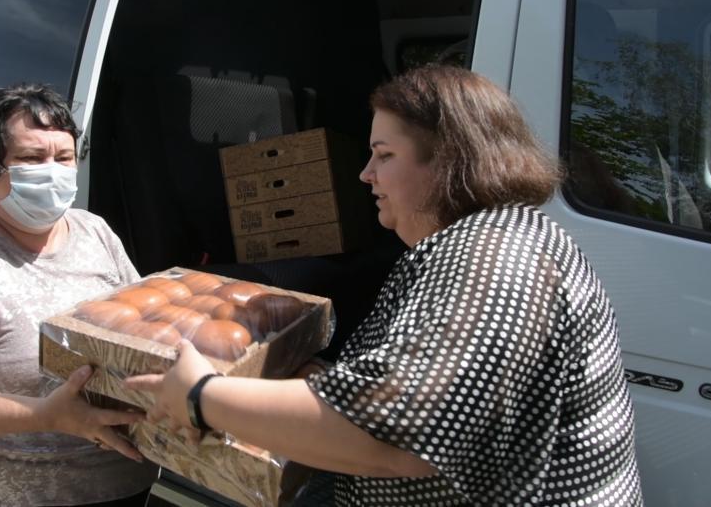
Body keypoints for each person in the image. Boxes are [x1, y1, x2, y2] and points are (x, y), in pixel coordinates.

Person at [127, 65, 644, 506]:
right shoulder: (483, 239)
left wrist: (200, 395)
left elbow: (399, 435)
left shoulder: (493, 260)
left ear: (448, 161)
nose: (365, 175)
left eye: (384, 155)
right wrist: (322, 378)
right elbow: (420, 383)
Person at [0, 83, 158, 507]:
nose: (53, 172)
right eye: (32, 159)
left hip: (129, 482)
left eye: (64, 158)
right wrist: (45, 415)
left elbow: (139, 320)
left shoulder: (94, 232)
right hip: (23, 496)